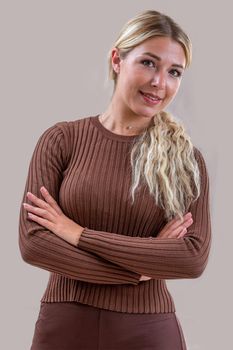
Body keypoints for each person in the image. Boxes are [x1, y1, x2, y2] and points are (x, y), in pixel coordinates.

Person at [19, 9, 211, 350]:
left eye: (174, 72)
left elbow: (191, 258)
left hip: (149, 332)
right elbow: (34, 243)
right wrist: (139, 270)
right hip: (64, 325)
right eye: (148, 63)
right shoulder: (63, 140)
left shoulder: (186, 160)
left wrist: (76, 233)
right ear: (117, 60)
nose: (159, 83)